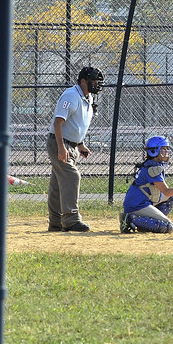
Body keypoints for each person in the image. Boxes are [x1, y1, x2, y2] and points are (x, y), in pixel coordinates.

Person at [46, 66, 103, 232]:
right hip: (59, 142)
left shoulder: (88, 97)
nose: (97, 84)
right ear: (83, 81)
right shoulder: (71, 95)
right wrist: (61, 148)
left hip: (71, 145)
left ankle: (55, 223)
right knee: (72, 176)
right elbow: (58, 122)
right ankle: (71, 220)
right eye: (93, 81)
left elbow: (77, 124)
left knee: (58, 184)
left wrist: (80, 144)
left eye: (98, 81)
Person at [120, 136, 173, 234]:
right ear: (154, 151)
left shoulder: (154, 164)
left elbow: (168, 193)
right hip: (137, 205)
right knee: (168, 227)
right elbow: (166, 191)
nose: (166, 151)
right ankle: (130, 219)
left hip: (142, 202)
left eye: (167, 149)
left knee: (172, 197)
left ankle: (147, 223)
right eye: (163, 149)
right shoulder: (153, 168)